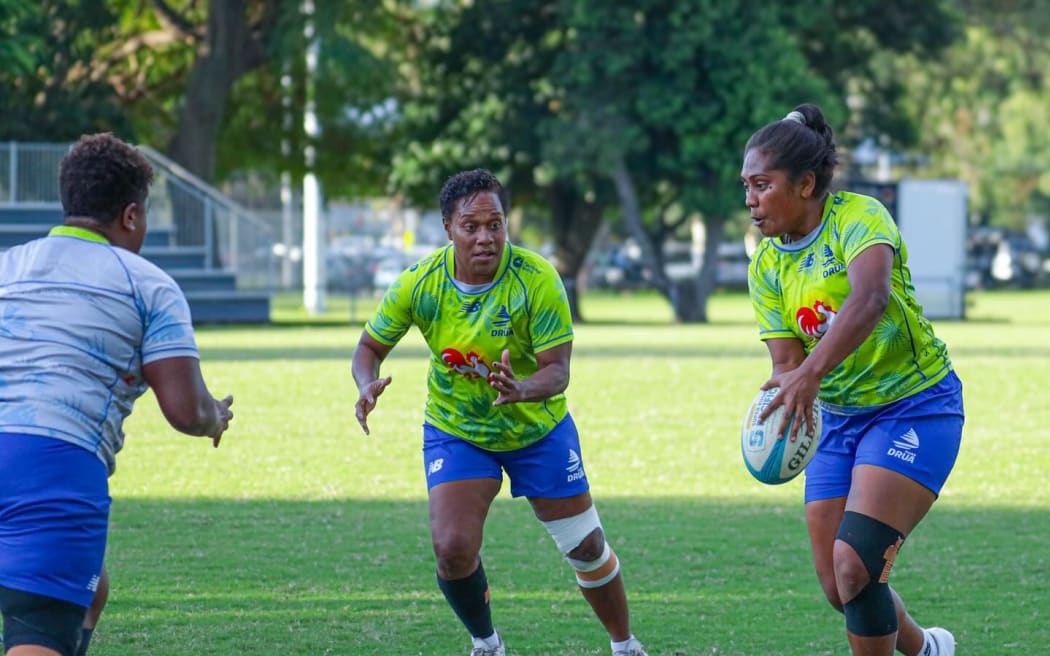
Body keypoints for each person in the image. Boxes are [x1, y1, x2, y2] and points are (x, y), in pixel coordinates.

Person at [351, 169, 648, 656]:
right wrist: (367, 385)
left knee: (587, 547)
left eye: (496, 224)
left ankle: (625, 645)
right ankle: (486, 643)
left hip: (539, 430)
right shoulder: (420, 283)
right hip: (458, 430)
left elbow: (558, 372)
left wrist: (522, 388)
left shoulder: (537, 279)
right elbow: (368, 348)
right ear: (448, 227)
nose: (486, 237)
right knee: (452, 548)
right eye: (472, 226)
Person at [741, 104, 963, 656]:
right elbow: (786, 365)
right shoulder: (766, 265)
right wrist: (778, 413)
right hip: (835, 422)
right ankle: (927, 649)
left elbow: (869, 300)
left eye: (763, 185)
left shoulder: (859, 218)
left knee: (855, 563)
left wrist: (808, 376)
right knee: (841, 586)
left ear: (806, 183)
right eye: (746, 185)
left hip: (914, 407)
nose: (750, 199)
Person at [0, 133, 234, 656]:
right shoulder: (146, 283)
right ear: (131, 216)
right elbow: (184, 409)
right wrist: (214, 416)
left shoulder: (7, 266)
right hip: (51, 464)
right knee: (39, 631)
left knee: (90, 588)